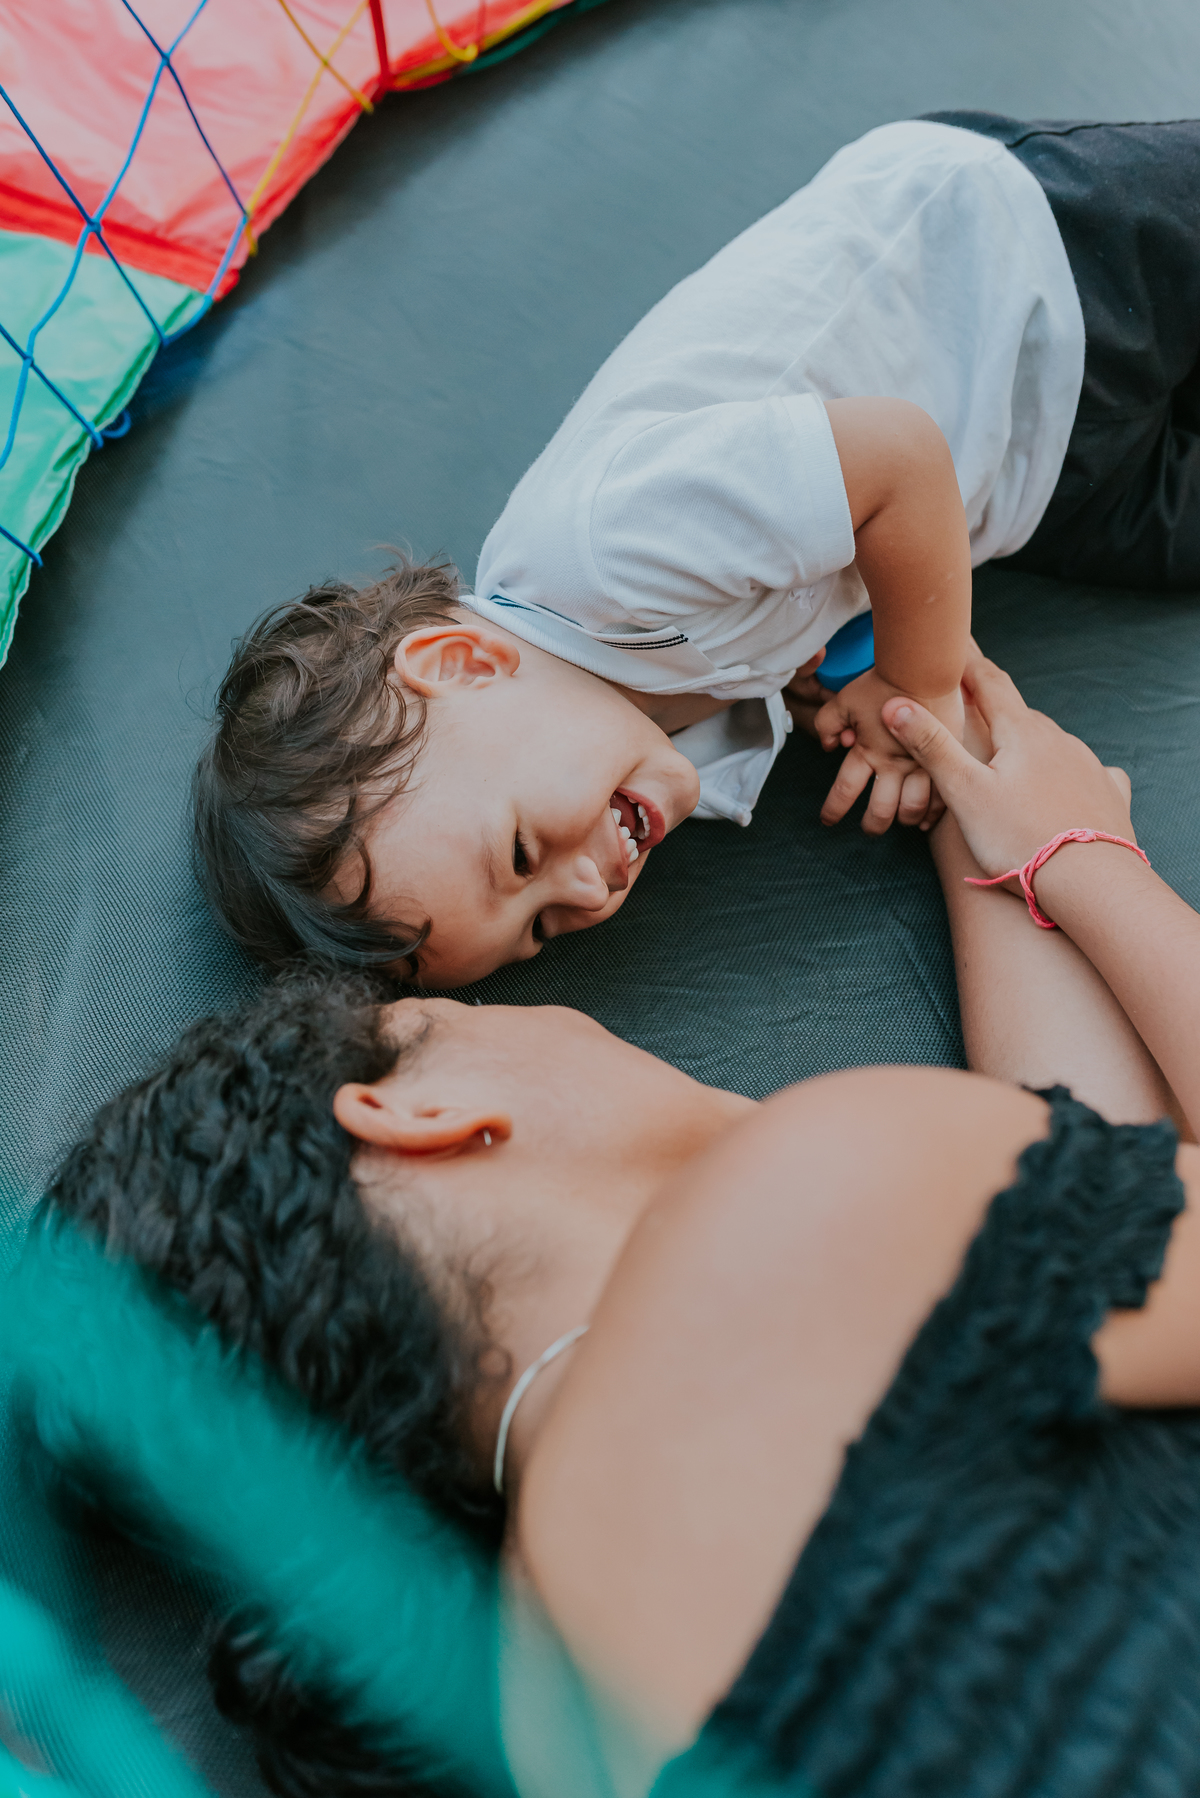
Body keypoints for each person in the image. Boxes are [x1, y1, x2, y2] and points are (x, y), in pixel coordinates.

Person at [58, 653, 1200, 1797]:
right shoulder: (804, 1211)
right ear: (414, 1113)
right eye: (455, 1012)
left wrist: (997, 841)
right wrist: (1090, 862)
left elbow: (1080, 1259)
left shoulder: (545, 1728)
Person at [193, 114, 1200, 988]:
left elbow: (898, 455)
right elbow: (782, 615)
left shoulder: (602, 548)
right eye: (538, 930)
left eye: (521, 854)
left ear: (462, 663)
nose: (585, 891)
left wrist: (916, 684)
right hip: (1032, 471)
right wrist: (829, 675)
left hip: (1020, 258)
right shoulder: (647, 734)